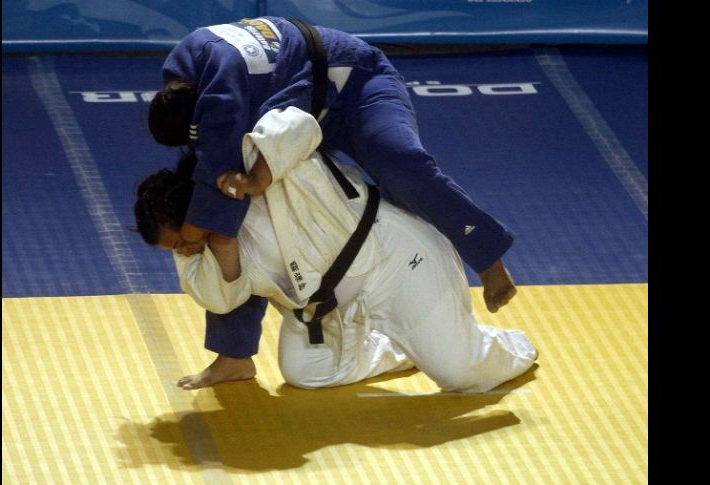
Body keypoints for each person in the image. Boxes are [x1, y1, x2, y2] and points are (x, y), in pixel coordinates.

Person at [148, 16, 518, 386]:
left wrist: (251, 183)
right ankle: (234, 355)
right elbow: (216, 172)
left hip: (353, 84)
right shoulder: (186, 75)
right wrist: (207, 218)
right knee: (228, 218)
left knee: (398, 161)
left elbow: (286, 126)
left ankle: (487, 256)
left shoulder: (224, 86)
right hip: (293, 106)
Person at [135, 107, 537, 392]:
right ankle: (406, 343)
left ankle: (507, 347)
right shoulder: (201, 245)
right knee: (306, 373)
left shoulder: (247, 166)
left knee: (461, 375)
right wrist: (221, 245)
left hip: (393, 261)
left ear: (193, 209)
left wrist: (258, 178)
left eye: (184, 240)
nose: (185, 251)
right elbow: (219, 300)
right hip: (325, 310)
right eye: (176, 249)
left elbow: (300, 124)